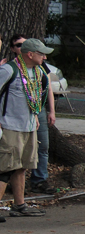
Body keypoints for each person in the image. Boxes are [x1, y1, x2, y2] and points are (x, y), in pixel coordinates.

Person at [0, 38, 50, 217]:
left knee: (21, 166)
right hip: (10, 126)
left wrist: (35, 114)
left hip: (28, 126)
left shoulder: (38, 72)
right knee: (5, 167)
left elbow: (37, 94)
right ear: (30, 54)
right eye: (41, 53)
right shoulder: (8, 70)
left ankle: (19, 205)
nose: (44, 57)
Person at [11, 35, 57, 195]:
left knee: (40, 147)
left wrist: (49, 111)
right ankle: (11, 184)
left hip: (35, 113)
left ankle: (38, 181)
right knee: (15, 155)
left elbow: (45, 89)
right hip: (14, 120)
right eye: (18, 45)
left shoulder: (40, 69)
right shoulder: (10, 69)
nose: (45, 57)